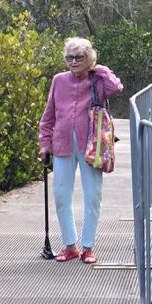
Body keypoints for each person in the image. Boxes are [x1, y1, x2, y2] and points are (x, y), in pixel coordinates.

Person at [39, 37, 123, 265]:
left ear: (89, 59)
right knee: (61, 195)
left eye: (79, 57)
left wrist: (99, 67)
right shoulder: (59, 80)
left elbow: (116, 87)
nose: (74, 61)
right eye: (70, 57)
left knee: (93, 195)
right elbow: (49, 115)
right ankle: (70, 245)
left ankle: (88, 246)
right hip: (63, 143)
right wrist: (44, 143)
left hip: (92, 145)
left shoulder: (98, 80)